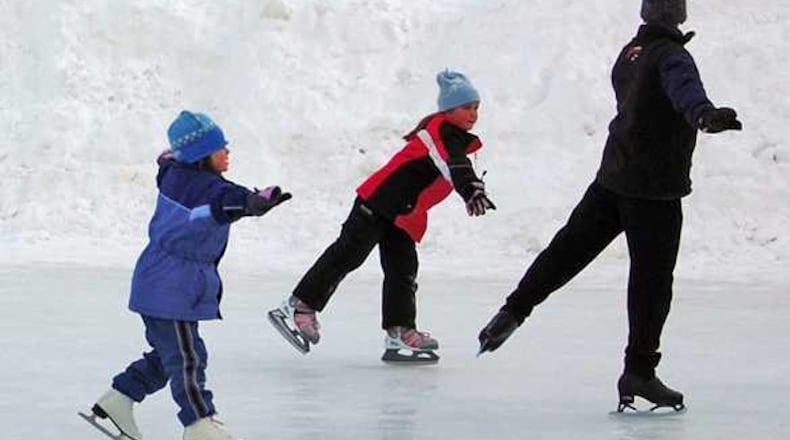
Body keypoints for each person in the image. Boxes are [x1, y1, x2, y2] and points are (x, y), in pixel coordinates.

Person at [477, 0, 742, 412]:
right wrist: (705, 116)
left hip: (612, 177)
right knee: (651, 284)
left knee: (566, 251)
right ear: (678, 14)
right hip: (653, 191)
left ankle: (514, 309)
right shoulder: (673, 56)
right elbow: (685, 92)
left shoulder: (630, 53)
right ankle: (639, 370)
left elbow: (638, 100)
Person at [81, 111, 291, 440]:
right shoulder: (195, 187)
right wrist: (250, 202)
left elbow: (216, 190)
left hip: (166, 282)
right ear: (200, 155)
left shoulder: (180, 176)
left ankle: (118, 400)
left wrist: (250, 199)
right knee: (186, 358)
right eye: (219, 147)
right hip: (169, 284)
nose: (228, 151)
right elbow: (222, 200)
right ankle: (199, 424)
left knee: (173, 356)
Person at [268, 69, 495, 363]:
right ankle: (298, 306)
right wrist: (470, 189)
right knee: (348, 254)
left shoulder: (454, 138)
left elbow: (456, 163)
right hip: (377, 203)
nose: (473, 114)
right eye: (467, 107)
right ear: (448, 109)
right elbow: (452, 164)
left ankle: (399, 331)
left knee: (403, 270)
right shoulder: (438, 131)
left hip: (402, 215)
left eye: (476, 107)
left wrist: (471, 188)